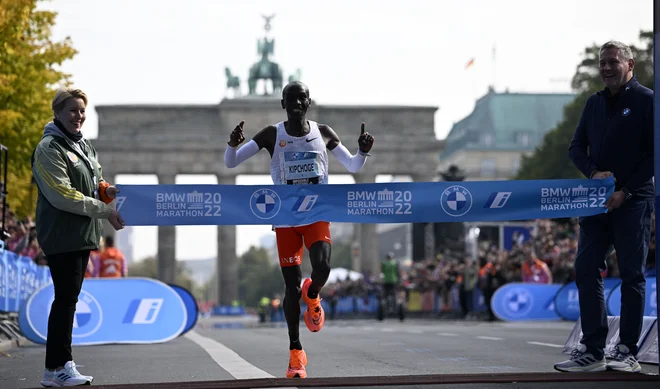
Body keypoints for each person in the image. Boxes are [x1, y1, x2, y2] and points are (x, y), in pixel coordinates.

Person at [224, 81, 374, 378]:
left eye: (301, 98)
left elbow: (354, 166)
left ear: (308, 102)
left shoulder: (324, 132)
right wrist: (232, 144)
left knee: (323, 265)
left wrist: (363, 151)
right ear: (283, 104)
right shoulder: (271, 134)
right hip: (286, 220)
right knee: (290, 289)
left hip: (317, 214)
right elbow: (231, 163)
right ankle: (296, 352)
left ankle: (314, 293)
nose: (296, 103)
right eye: (290, 99)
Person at [555, 40, 654, 373]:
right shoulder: (593, 103)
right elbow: (575, 147)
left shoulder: (647, 100)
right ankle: (593, 348)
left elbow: (653, 155)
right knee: (585, 268)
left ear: (630, 65)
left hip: (633, 200)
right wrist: (593, 172)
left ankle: (626, 350)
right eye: (602, 63)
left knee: (631, 275)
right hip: (596, 201)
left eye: (613, 62)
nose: (607, 68)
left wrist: (624, 191)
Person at [32, 88, 125, 386]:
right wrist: (103, 209)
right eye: (72, 110)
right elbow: (62, 194)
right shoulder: (50, 148)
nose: (79, 116)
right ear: (57, 113)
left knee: (68, 299)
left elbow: (93, 181)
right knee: (65, 300)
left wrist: (105, 190)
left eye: (82, 111)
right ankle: (57, 367)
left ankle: (60, 365)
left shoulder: (83, 146)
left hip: (82, 234)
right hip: (62, 233)